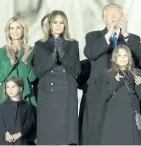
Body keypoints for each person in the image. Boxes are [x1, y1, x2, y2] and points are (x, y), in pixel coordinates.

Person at [82, 3, 141, 144]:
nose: (114, 18)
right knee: (97, 132)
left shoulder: (132, 38)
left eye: (117, 15)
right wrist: (108, 35)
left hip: (123, 95)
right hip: (99, 91)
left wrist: (127, 34)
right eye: (110, 16)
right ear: (104, 19)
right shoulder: (94, 36)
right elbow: (90, 53)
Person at [33, 10, 80, 145]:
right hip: (48, 93)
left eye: (61, 22)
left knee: (66, 135)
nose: (58, 25)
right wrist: (53, 55)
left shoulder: (73, 43)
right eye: (55, 22)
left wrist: (63, 54)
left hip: (66, 94)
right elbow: (38, 72)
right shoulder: (40, 44)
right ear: (49, 24)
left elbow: (76, 70)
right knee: (49, 134)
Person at [0, 17, 36, 144]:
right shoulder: (1, 51)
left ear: (23, 30)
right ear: (8, 31)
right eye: (12, 28)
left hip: (25, 95)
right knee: (3, 133)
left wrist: (29, 64)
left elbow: (33, 78)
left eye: (18, 27)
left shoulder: (31, 50)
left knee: (27, 133)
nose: (15, 31)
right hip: (6, 96)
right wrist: (10, 63)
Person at [100, 44, 141, 145]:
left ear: (129, 58)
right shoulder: (108, 74)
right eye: (119, 55)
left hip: (131, 116)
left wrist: (140, 85)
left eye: (125, 55)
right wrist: (115, 81)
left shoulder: (136, 73)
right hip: (115, 116)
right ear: (115, 59)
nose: (122, 58)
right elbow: (103, 96)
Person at [0, 76, 34, 145]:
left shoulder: (27, 105)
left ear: (20, 88)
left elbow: (28, 123)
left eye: (13, 87)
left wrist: (19, 134)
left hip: (20, 141)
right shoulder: (3, 105)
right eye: (7, 87)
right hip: (5, 141)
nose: (10, 90)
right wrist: (6, 133)